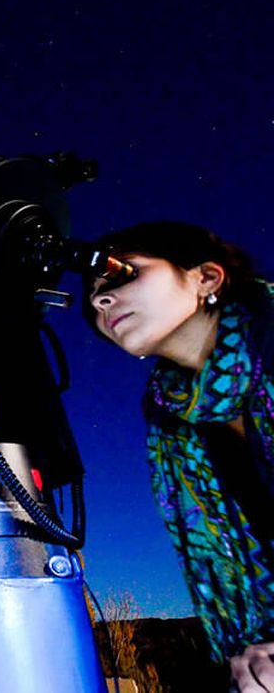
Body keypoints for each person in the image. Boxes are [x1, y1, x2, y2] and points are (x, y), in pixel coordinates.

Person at [84, 221, 274, 691]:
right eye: (93, 296)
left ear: (206, 278)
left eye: (121, 274)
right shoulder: (172, 422)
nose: (99, 301)